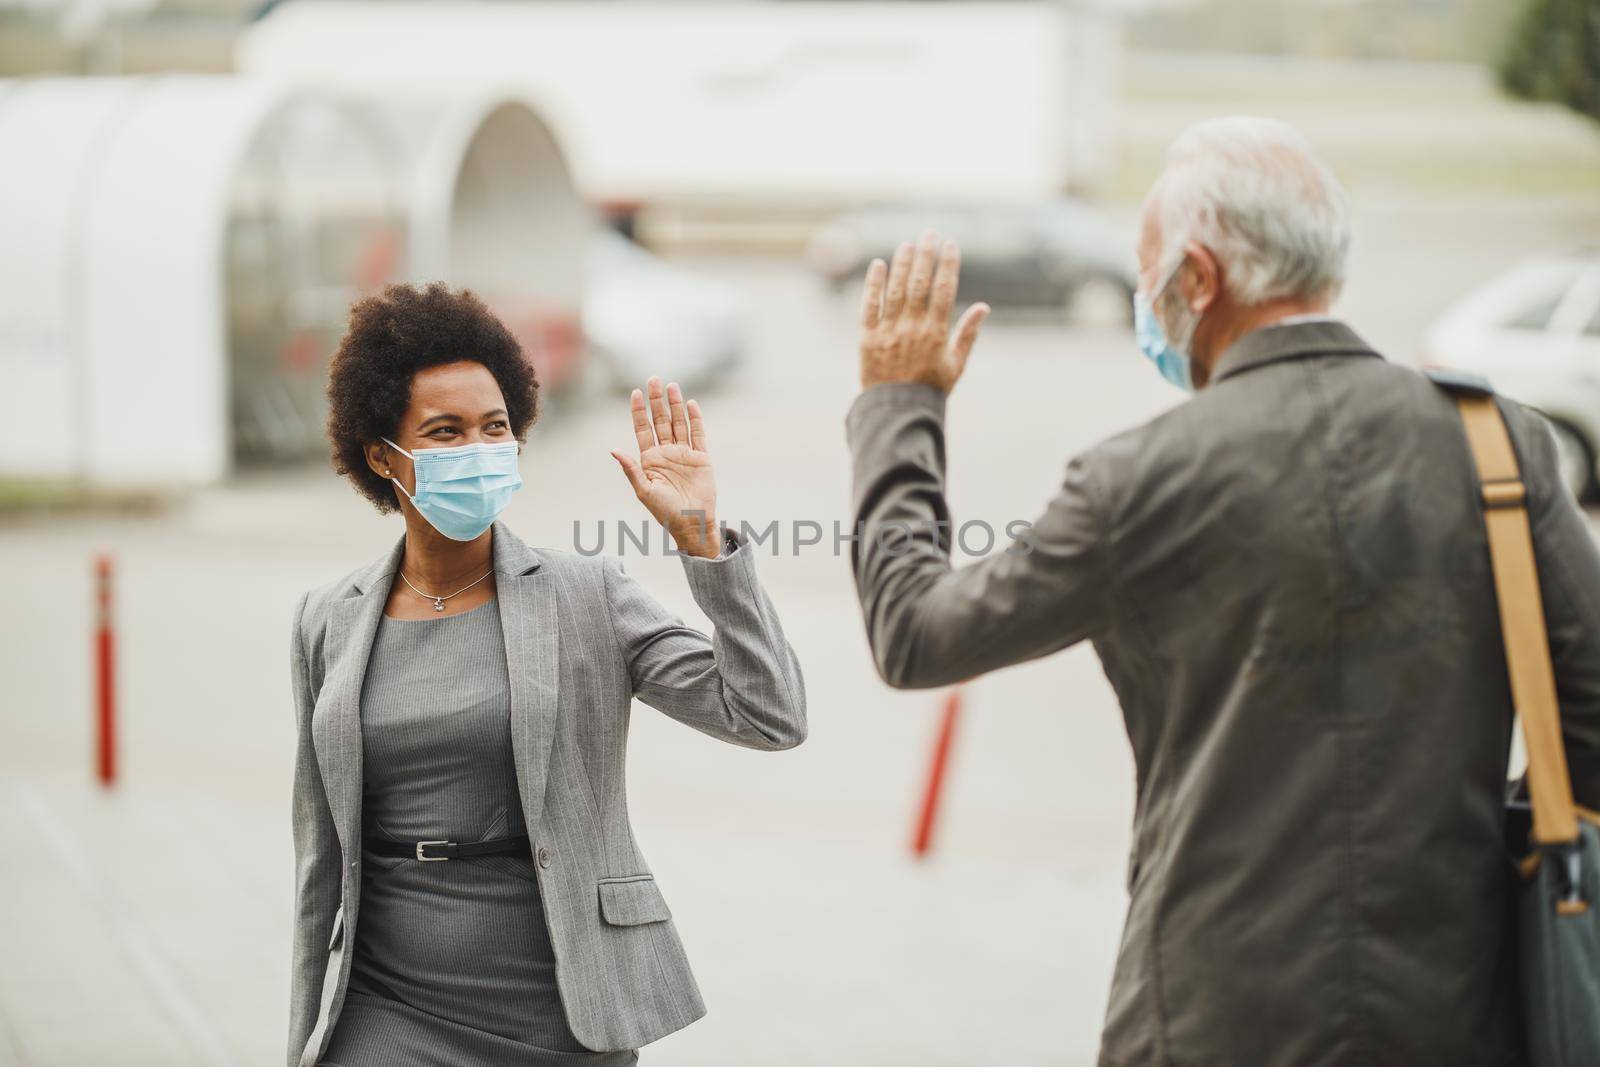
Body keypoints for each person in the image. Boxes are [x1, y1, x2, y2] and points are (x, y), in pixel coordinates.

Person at [845, 117, 1600, 1066]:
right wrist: (1485, 851)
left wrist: (898, 407)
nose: (1142, 298)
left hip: (1206, 1021)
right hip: (1456, 1015)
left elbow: (916, 633)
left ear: (1198, 279)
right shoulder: (1500, 445)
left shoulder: (1137, 480)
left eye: (1147, 270)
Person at [288, 283, 806, 1067]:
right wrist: (304, 1038)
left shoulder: (585, 595)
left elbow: (768, 714)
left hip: (555, 1005)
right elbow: (320, 855)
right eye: (445, 430)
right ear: (380, 456)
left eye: (494, 426)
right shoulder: (327, 619)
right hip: (384, 1000)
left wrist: (704, 543)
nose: (478, 448)